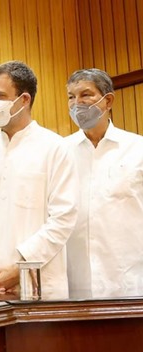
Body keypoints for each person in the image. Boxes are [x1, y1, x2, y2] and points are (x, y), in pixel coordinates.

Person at [0, 61, 78, 299]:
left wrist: (21, 267)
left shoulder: (55, 148)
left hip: (40, 284)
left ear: (24, 100)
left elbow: (63, 218)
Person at [64, 68, 143, 297]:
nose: (77, 103)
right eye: (71, 96)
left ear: (108, 100)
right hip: (75, 281)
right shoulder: (60, 152)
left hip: (129, 278)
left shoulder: (137, 148)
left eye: (85, 94)